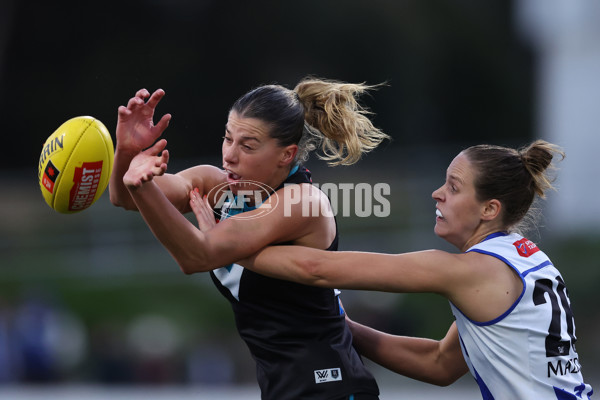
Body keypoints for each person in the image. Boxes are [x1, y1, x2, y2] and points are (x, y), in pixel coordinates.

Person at [211, 140, 594, 399]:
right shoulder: (526, 260)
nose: (437, 193)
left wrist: (226, 245)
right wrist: (339, 326)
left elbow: (316, 269)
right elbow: (440, 364)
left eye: (454, 187)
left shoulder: (470, 271)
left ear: (489, 210)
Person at [109, 78, 390, 400]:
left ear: (287, 155)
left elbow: (198, 256)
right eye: (228, 138)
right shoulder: (217, 185)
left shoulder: (301, 201)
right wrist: (128, 151)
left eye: (248, 145)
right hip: (283, 390)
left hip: (330, 386)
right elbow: (126, 199)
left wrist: (141, 186)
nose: (229, 155)